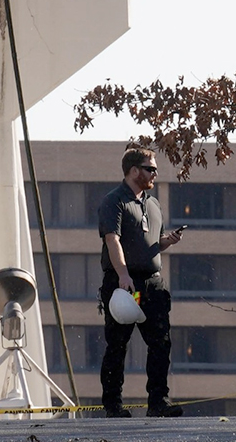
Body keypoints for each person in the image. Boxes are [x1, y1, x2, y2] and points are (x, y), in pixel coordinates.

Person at [97, 147, 185, 418]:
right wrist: (123, 275)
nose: (155, 173)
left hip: (153, 284)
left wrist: (166, 243)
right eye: (150, 169)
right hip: (125, 284)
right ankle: (113, 405)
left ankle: (158, 402)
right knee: (118, 344)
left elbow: (153, 243)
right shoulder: (114, 201)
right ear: (134, 171)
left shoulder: (153, 203)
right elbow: (112, 240)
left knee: (161, 343)